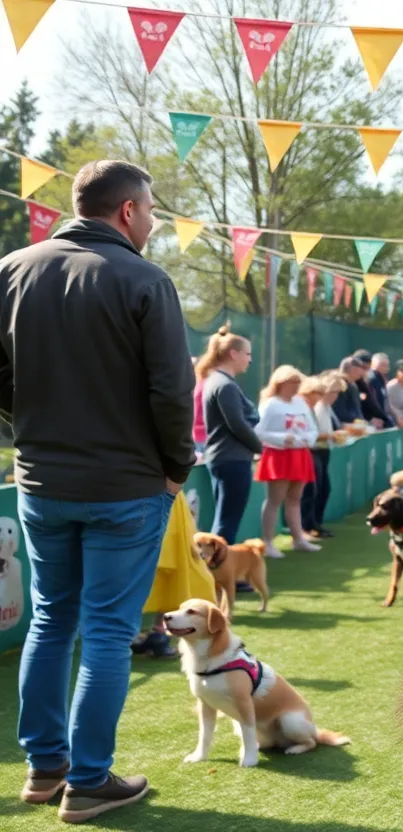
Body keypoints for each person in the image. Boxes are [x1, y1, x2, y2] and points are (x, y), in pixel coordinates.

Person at [2, 160, 194, 820]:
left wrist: (25, 423)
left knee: (52, 620)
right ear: (127, 212)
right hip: (126, 486)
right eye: (152, 210)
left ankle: (45, 769)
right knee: (108, 633)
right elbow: (173, 389)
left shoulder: (13, 268)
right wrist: (178, 466)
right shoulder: (144, 277)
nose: (154, 221)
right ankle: (87, 782)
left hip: (43, 480)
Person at [198, 327, 260, 547]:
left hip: (227, 457)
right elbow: (237, 425)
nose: (250, 360)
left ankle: (220, 573)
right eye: (248, 354)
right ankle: (218, 573)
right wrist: (260, 447)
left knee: (227, 518)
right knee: (227, 520)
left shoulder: (219, 381)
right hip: (230, 458)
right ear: (234, 354)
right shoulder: (224, 385)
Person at [255, 365, 320, 558]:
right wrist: (283, 438)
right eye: (293, 383)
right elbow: (259, 431)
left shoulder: (300, 403)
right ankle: (267, 542)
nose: (297, 387)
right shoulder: (270, 404)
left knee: (295, 499)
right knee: (275, 499)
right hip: (278, 455)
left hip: (300, 454)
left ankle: (298, 539)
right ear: (281, 383)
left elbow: (312, 429)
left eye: (298, 383)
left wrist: (308, 438)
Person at [299, 375, 338, 539]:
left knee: (320, 489)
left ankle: (314, 524)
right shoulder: (307, 407)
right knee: (311, 491)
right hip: (310, 450)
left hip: (316, 450)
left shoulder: (313, 407)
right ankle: (307, 527)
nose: (321, 397)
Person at [351, 350, 388, 428]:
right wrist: (368, 421)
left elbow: (372, 404)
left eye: (368, 368)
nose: (365, 371)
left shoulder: (366, 382)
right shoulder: (348, 385)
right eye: (363, 368)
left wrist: (384, 419)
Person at [332, 356, 367, 426]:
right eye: (360, 367)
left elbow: (357, 410)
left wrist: (362, 422)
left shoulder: (353, 386)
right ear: (352, 368)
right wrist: (357, 421)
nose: (362, 372)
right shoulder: (337, 385)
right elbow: (340, 413)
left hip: (356, 427)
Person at [385, 359, 403, 430]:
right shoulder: (391, 386)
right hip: (397, 423)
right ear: (397, 372)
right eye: (402, 372)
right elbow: (388, 405)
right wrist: (397, 418)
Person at [368, 352, 392, 419]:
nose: (386, 368)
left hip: (383, 416)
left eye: (387, 365)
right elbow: (372, 402)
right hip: (374, 418)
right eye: (383, 365)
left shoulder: (382, 379)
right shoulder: (371, 378)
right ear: (373, 365)